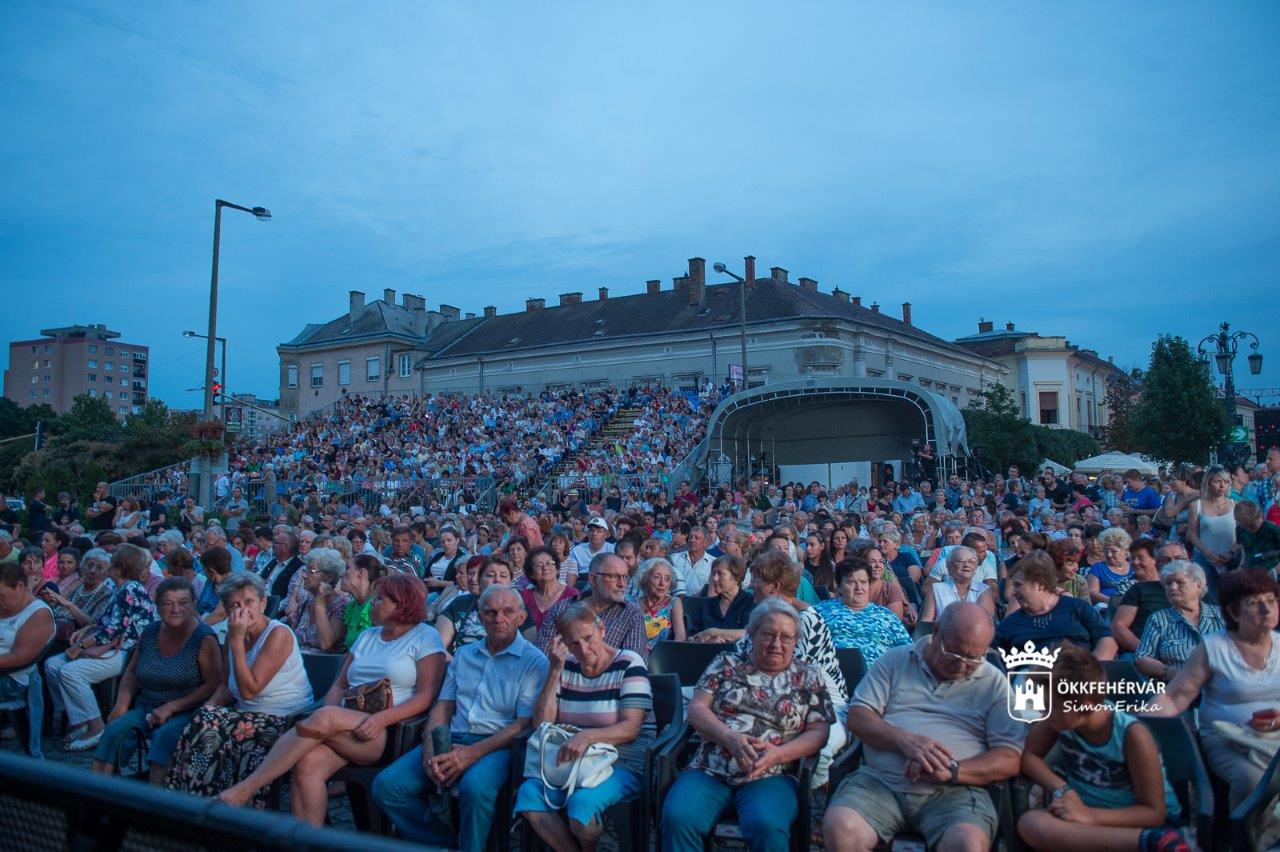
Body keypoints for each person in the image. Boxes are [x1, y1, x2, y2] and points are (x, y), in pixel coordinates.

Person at [218, 574, 446, 824]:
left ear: (401, 604)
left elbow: (426, 695)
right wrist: (328, 717)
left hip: (388, 730)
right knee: (307, 765)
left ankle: (244, 790)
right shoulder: (368, 636)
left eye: (381, 599)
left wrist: (380, 719)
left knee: (325, 717)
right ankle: (308, 839)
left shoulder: (425, 637)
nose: (373, 603)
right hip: (345, 722)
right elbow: (340, 684)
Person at [824, 602, 1024, 852]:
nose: (962, 665)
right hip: (881, 784)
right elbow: (858, 716)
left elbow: (1009, 757)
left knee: (967, 844)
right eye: (954, 653)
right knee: (841, 827)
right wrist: (905, 741)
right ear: (936, 631)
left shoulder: (993, 683)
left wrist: (952, 770)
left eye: (973, 658)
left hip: (957, 794)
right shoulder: (896, 660)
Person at [372, 585, 549, 850]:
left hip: (498, 746)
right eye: (490, 612)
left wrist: (471, 754)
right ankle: (443, 842)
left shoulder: (534, 661)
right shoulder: (465, 655)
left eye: (507, 612)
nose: (498, 619)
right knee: (387, 787)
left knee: (475, 788)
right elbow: (443, 707)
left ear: (521, 617)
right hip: (452, 737)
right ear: (480, 616)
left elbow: (522, 724)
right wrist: (430, 749)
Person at [661, 598, 835, 852]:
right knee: (678, 818)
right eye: (768, 634)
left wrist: (779, 754)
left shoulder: (808, 675)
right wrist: (728, 737)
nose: (776, 644)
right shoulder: (726, 663)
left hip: (773, 773)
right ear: (751, 634)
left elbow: (819, 731)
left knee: (766, 825)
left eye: (786, 637)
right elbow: (697, 709)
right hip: (711, 768)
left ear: (796, 640)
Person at [1017, 644, 1187, 852]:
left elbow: (1154, 813)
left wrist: (1090, 816)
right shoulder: (1060, 718)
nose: (1044, 710)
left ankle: (1152, 842)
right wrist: (1063, 789)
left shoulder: (1132, 735)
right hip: (1084, 814)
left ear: (1085, 706)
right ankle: (1145, 844)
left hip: (1137, 821)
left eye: (1050, 705)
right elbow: (1030, 757)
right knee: (1030, 823)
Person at [164, 572, 315, 807]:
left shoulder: (278, 634)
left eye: (248, 602)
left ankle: (222, 808)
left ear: (263, 603)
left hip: (286, 718)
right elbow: (226, 685)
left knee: (220, 734)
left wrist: (236, 641)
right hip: (246, 714)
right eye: (234, 605)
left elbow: (249, 690)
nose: (242, 610)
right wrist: (208, 708)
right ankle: (192, 804)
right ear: (226, 609)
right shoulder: (232, 637)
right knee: (202, 722)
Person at [514, 601, 654, 852]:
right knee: (528, 795)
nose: (584, 649)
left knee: (581, 807)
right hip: (571, 762)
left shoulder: (628, 663)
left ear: (602, 630)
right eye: (573, 643)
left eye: (589, 638)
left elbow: (631, 728)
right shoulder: (565, 665)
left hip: (621, 761)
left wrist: (587, 737)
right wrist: (554, 670)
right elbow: (541, 723)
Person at [1148, 569, 1280, 809]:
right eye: (1253, 603)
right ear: (1233, 612)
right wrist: (1137, 725)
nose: (1266, 609)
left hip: (1275, 738)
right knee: (1254, 783)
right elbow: (1174, 697)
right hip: (1227, 739)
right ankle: (1245, 832)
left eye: (1271, 600)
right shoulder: (1214, 647)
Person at [91, 578, 221, 784]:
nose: (175, 609)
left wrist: (171, 707)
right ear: (158, 606)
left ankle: (155, 797)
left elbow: (212, 685)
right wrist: (121, 705)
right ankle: (97, 793)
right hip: (147, 705)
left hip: (186, 710)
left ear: (193, 604)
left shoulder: (203, 638)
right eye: (168, 603)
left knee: (164, 738)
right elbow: (132, 673)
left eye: (183, 602)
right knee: (114, 731)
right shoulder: (150, 631)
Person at [741, 549, 847, 785]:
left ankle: (807, 798)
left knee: (821, 749)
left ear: (774, 586)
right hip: (765, 692)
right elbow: (740, 657)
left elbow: (788, 676)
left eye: (757, 580)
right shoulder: (761, 616)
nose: (751, 586)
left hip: (824, 702)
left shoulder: (806, 620)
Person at [46, 543, 159, 751]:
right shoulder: (120, 588)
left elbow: (112, 631)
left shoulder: (129, 589)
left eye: (112, 562)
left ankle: (96, 726)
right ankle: (80, 721)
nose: (109, 566)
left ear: (119, 567)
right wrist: (87, 629)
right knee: (52, 665)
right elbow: (105, 623)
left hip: (128, 652)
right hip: (111, 647)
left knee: (70, 672)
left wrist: (80, 646)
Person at [995, 551, 1118, 660]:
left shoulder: (1078, 608)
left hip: (1078, 673)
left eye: (1018, 585)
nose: (1013, 592)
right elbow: (991, 652)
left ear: (1040, 584)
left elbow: (1107, 641)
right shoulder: (1011, 622)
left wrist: (1094, 672)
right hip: (1028, 675)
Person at [535, 553, 649, 660]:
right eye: (615, 577)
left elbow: (634, 663)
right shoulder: (562, 608)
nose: (622, 584)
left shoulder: (632, 615)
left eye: (625, 577)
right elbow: (541, 656)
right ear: (593, 579)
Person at [1134, 560, 1223, 683]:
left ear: (1198, 585)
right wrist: (1173, 674)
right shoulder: (1159, 619)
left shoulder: (1221, 615)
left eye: (1180, 582)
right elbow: (1142, 659)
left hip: (1221, 684)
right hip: (1177, 687)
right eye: (1168, 583)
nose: (1173, 587)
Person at [0, 560, 56, 752]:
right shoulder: (6, 605)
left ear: (20, 586)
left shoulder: (38, 614)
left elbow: (19, 657)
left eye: (2, 595)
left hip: (11, 679)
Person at [816, 557, 911, 666]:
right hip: (830, 671)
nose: (859, 587)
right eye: (851, 582)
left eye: (863, 582)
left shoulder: (887, 617)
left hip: (877, 674)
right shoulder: (820, 612)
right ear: (839, 587)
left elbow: (908, 653)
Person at [439, 555, 515, 653]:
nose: (473, 578)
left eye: (503, 576)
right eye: (470, 573)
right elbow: (438, 647)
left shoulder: (517, 608)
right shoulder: (460, 603)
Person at [285, 547, 351, 653]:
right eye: (305, 570)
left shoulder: (341, 605)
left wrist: (320, 605)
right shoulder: (307, 601)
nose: (304, 575)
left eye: (311, 571)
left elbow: (326, 644)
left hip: (321, 662)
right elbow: (291, 638)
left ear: (329, 577)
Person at [1109, 539, 1169, 657]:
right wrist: (1145, 652)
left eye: (1141, 558)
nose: (1135, 562)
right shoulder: (1128, 586)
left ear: (1155, 559)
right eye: (1132, 558)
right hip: (1139, 649)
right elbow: (1118, 626)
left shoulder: (1172, 586)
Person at [45, 547, 115, 642]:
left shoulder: (106, 595)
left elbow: (93, 625)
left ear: (106, 573)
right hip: (54, 631)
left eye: (99, 568)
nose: (92, 571)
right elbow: (57, 610)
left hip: (76, 640)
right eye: (89, 565)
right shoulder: (77, 586)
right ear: (82, 566)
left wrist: (70, 605)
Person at [1185, 466, 1236, 593]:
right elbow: (1192, 534)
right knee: (1203, 594)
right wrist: (1209, 554)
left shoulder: (1235, 505)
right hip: (1203, 557)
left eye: (1225, 482)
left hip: (1230, 558)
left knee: (1231, 595)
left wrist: (1230, 553)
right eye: (1218, 481)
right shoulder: (1196, 505)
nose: (1222, 485)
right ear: (1208, 483)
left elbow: (1242, 534)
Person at [686, 554, 755, 643]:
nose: (714, 579)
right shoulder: (708, 604)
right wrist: (708, 642)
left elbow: (750, 633)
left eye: (720, 574)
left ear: (736, 577)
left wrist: (712, 632)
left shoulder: (750, 602)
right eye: (713, 573)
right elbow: (691, 637)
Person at [919, 545, 997, 624]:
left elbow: (986, 624)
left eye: (971, 562)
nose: (966, 565)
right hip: (942, 631)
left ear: (975, 568)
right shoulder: (936, 590)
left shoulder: (984, 591)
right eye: (960, 561)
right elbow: (926, 623)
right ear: (949, 567)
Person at [630, 557, 685, 647]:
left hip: (662, 654)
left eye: (667, 579)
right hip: (632, 652)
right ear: (644, 579)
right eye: (657, 577)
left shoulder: (674, 602)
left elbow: (680, 637)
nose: (662, 583)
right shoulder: (631, 603)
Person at [521, 547, 578, 631]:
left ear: (557, 569)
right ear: (531, 574)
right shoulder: (524, 596)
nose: (545, 568)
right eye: (539, 565)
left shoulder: (572, 595)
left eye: (549, 563)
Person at [340, 553, 387, 647]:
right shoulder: (352, 607)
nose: (342, 574)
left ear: (361, 573)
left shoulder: (375, 607)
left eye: (347, 568)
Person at [1086, 527, 1135, 605]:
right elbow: (1092, 592)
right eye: (1106, 551)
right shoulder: (1098, 568)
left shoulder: (1135, 567)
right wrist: (1113, 602)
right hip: (1106, 607)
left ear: (1126, 551)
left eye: (1113, 551)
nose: (1109, 554)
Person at [258, 527, 305, 599]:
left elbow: (291, 598)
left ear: (286, 547)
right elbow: (259, 578)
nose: (272, 545)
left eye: (276, 543)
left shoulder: (298, 568)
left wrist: (272, 605)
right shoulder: (273, 562)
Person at [670, 526, 714, 596]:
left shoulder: (713, 563)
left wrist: (689, 600)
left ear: (706, 543)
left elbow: (710, 589)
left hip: (698, 601)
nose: (692, 540)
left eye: (697, 538)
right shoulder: (674, 558)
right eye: (690, 537)